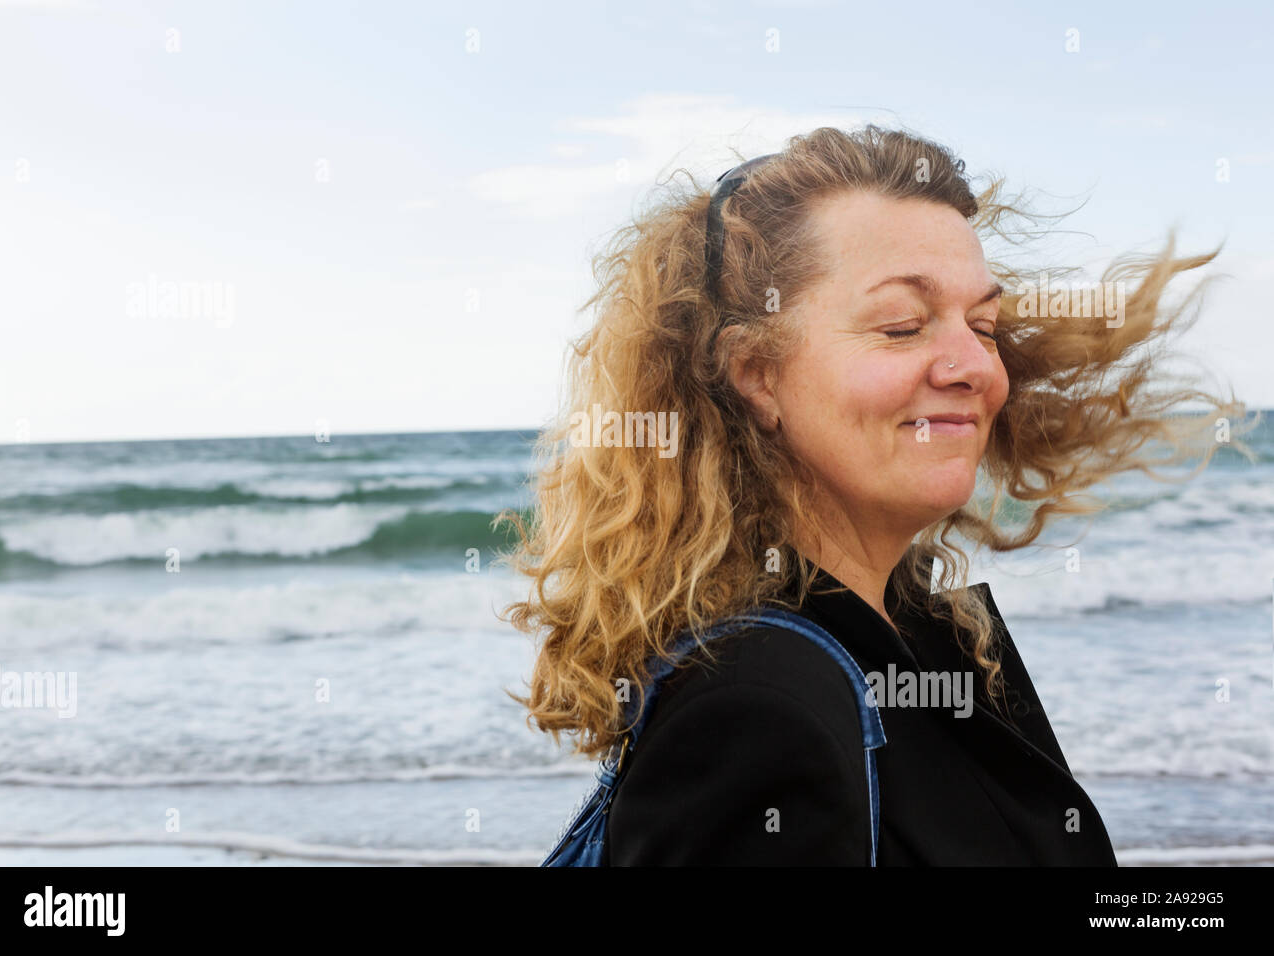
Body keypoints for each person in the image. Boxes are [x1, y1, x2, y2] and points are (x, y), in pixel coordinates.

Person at [497, 124, 1256, 865]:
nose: (975, 366)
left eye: (984, 325)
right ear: (757, 374)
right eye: (901, 326)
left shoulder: (921, 626)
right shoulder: (762, 711)